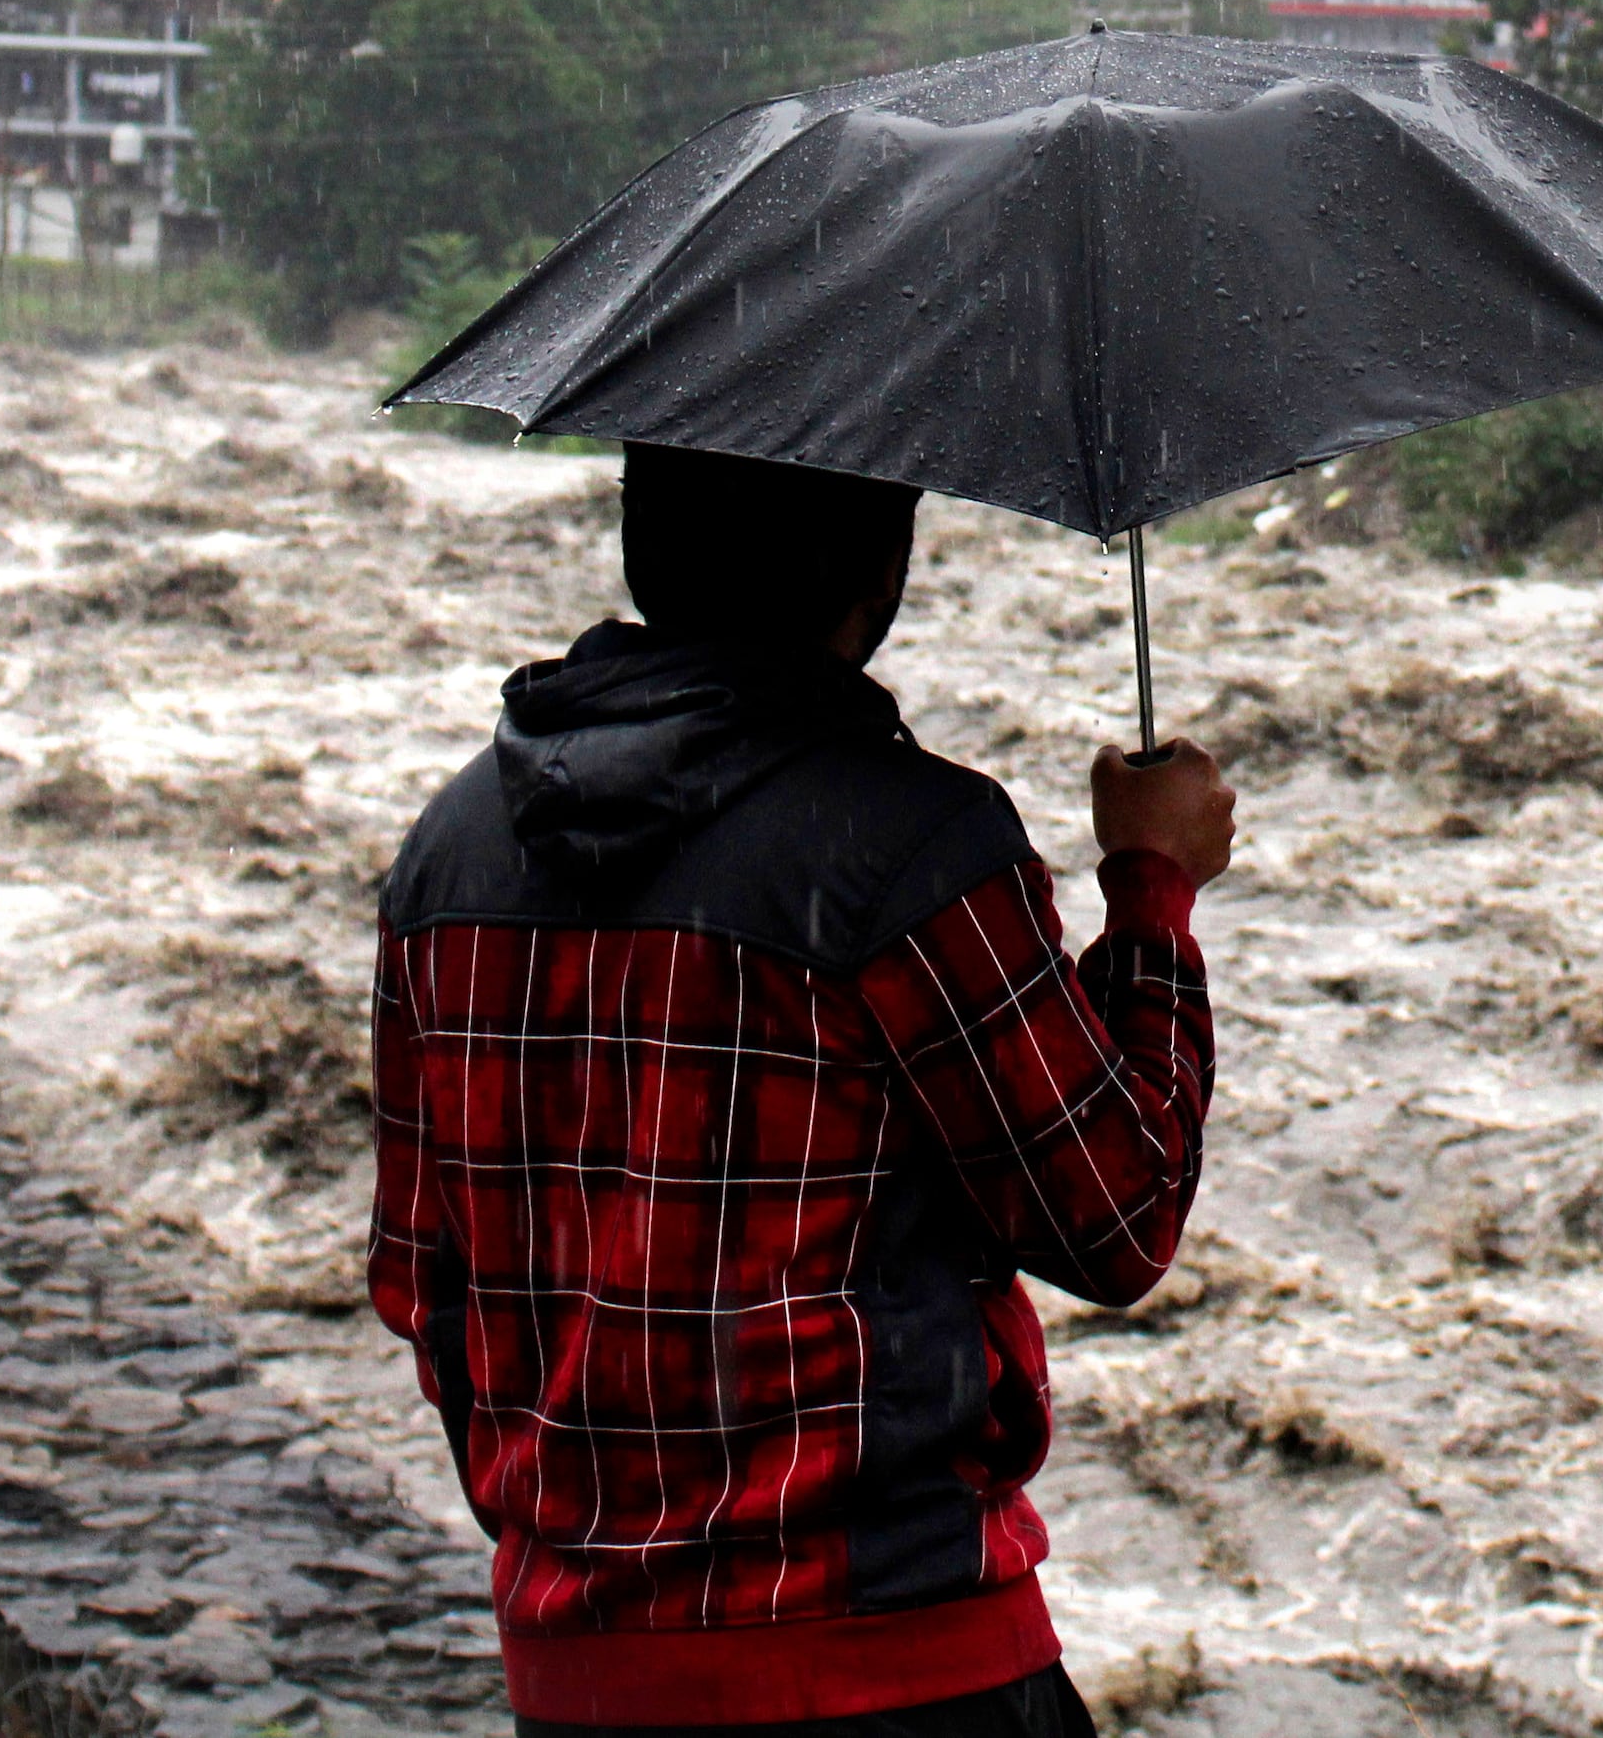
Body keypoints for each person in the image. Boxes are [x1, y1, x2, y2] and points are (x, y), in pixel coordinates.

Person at [372, 445, 1232, 1738]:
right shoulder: (914, 849)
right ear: (878, 568)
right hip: (898, 1667)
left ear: (641, 541)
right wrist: (1151, 889)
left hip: (581, 1677)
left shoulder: (447, 857)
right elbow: (1117, 1214)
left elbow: (422, 1282)